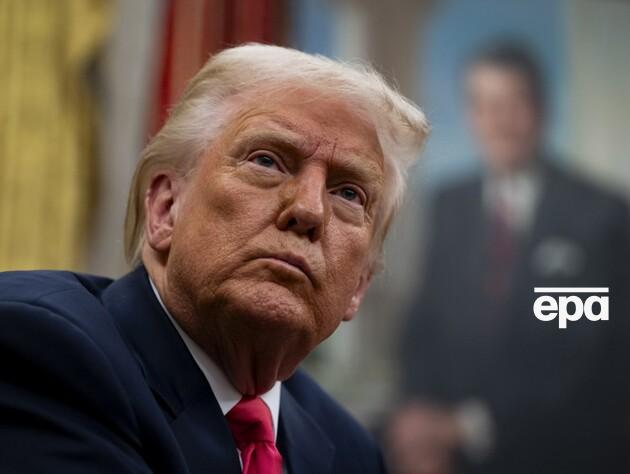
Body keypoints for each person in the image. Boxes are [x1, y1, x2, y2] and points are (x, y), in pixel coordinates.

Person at [0, 44, 429, 473]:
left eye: (349, 193)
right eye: (267, 161)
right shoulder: (41, 349)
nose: (309, 210)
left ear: (359, 284)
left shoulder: (351, 451)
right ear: (167, 207)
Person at [388, 43, 630, 474]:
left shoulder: (601, 217)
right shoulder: (449, 205)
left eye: (511, 104)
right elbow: (425, 322)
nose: (498, 121)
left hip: (560, 452)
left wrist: (469, 426)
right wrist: (417, 417)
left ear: (540, 108)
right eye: (484, 105)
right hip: (447, 456)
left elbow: (587, 354)